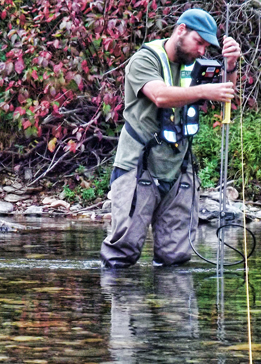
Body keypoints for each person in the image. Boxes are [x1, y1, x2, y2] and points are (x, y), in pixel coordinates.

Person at [100, 8, 241, 268]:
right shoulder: (144, 60)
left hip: (179, 171)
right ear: (181, 30)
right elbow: (161, 96)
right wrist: (205, 90)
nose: (201, 51)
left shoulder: (197, 67)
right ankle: (120, 301)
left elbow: (228, 100)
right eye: (198, 42)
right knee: (122, 254)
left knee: (175, 259)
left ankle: (174, 307)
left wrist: (230, 67)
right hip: (138, 167)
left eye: (207, 47)